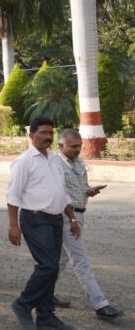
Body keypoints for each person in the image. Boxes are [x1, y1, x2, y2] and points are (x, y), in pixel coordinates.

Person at [8, 117, 80, 330]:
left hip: (56, 220)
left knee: (52, 268)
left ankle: (46, 317)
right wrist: (13, 226)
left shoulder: (54, 159)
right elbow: (13, 197)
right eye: (43, 133)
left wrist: (72, 218)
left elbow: (63, 193)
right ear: (31, 135)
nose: (48, 137)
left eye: (50, 132)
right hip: (35, 220)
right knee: (48, 266)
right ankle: (23, 303)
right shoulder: (24, 162)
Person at [53, 129, 122, 320]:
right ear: (60, 146)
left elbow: (79, 188)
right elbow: (59, 193)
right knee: (80, 260)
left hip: (79, 214)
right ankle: (101, 305)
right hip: (67, 216)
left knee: (60, 259)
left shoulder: (79, 162)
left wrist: (89, 191)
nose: (77, 150)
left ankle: (44, 293)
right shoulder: (54, 164)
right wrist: (72, 219)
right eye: (73, 147)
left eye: (79, 146)